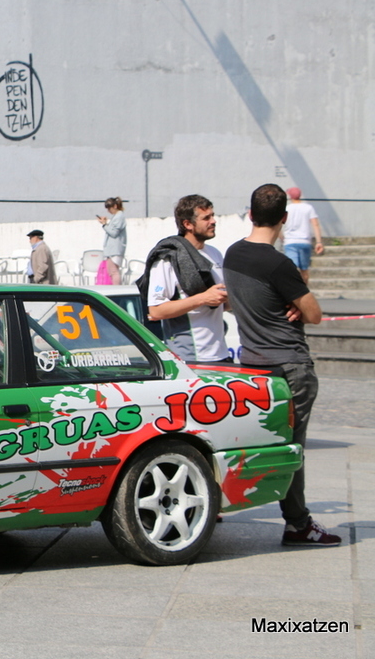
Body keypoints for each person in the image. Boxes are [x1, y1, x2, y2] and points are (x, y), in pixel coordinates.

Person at [223, 183, 340, 547]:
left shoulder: (233, 254)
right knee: (292, 448)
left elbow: (244, 300)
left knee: (260, 443)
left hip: (253, 366)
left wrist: (282, 302)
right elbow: (315, 314)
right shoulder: (279, 264)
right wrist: (294, 304)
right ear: (285, 219)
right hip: (290, 365)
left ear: (251, 214)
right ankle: (298, 523)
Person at [144, 195, 231, 363]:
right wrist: (203, 298)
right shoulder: (168, 258)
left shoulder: (215, 253)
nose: (213, 221)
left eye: (213, 216)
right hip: (190, 358)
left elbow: (222, 304)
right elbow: (156, 310)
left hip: (220, 354)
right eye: (206, 218)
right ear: (188, 224)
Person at [282, 187, 324, 283]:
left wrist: (282, 238)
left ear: (290, 196)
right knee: (304, 270)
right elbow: (315, 224)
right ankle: (304, 289)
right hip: (305, 241)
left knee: (291, 269)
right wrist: (319, 242)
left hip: (290, 241)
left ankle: (293, 290)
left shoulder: (287, 208)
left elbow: (279, 224)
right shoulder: (308, 208)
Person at [97, 197, 126, 284]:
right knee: (111, 271)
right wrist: (106, 224)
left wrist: (104, 225)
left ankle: (116, 288)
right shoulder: (117, 217)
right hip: (112, 250)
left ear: (115, 206)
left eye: (109, 208)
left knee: (113, 271)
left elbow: (114, 233)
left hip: (115, 250)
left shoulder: (119, 216)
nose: (108, 211)